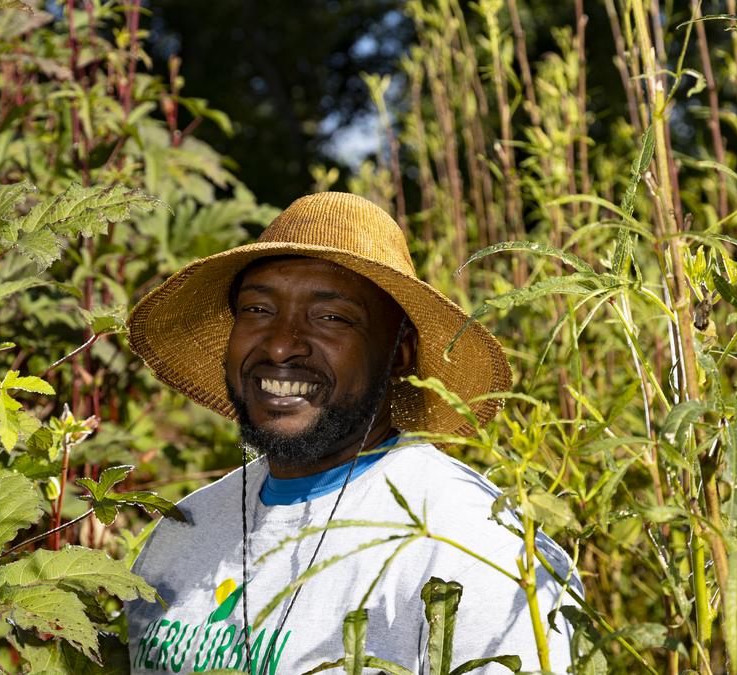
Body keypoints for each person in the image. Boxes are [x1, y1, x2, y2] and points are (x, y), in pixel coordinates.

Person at [124, 192, 580, 674]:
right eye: (258, 310)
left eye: (332, 318)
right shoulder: (182, 531)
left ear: (400, 352)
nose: (280, 346)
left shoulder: (475, 548)